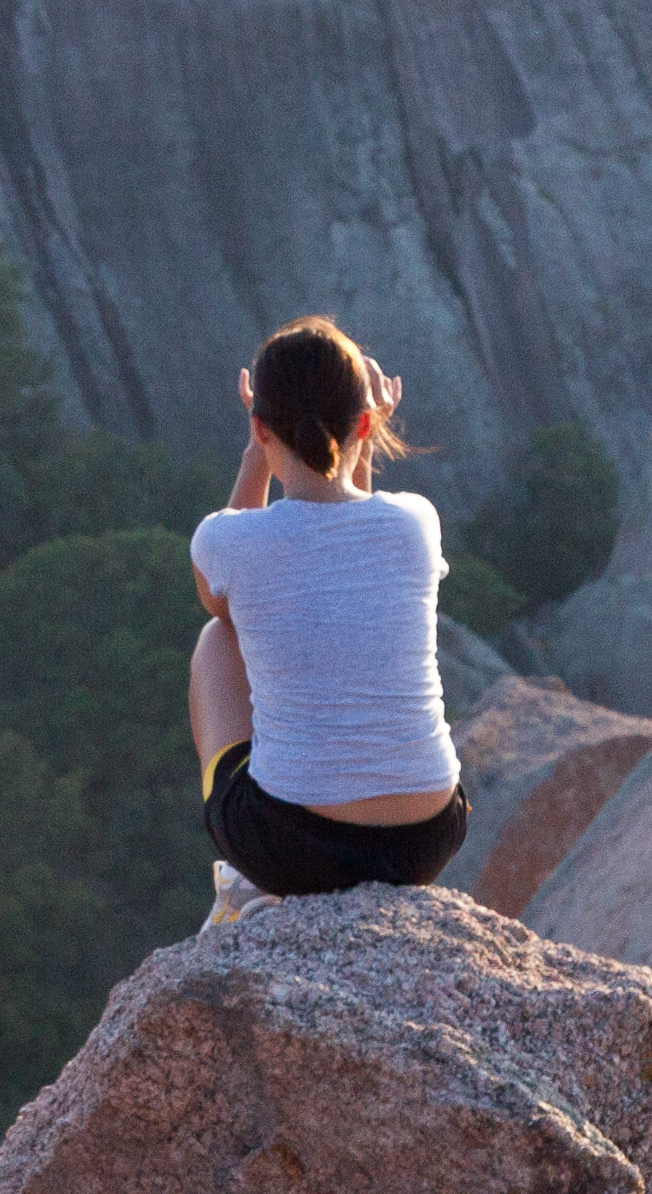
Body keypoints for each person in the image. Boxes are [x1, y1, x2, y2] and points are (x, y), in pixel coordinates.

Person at [185, 313, 471, 906]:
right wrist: (360, 438)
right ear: (367, 421)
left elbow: (222, 599)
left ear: (260, 427)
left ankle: (243, 880)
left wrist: (254, 453)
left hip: (294, 847)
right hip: (429, 834)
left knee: (217, 638)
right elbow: (352, 529)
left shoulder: (226, 541)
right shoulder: (417, 523)